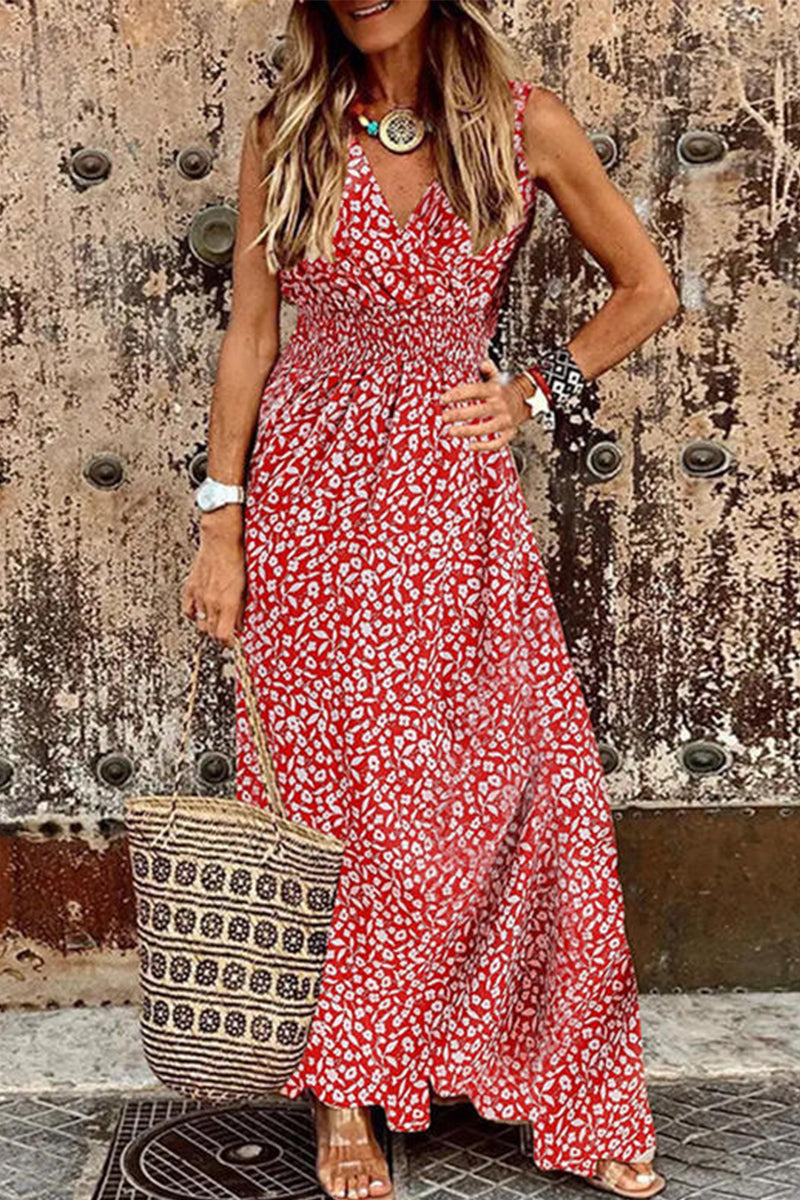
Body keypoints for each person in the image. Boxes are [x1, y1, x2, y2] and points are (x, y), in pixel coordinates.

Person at [182, 1, 679, 1197]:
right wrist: (220, 521)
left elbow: (646, 290)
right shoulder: (286, 128)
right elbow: (251, 333)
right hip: (308, 502)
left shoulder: (523, 125)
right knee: (335, 796)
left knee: (527, 782)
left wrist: (531, 392)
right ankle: (343, 1094)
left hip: (453, 505)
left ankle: (570, 1086)